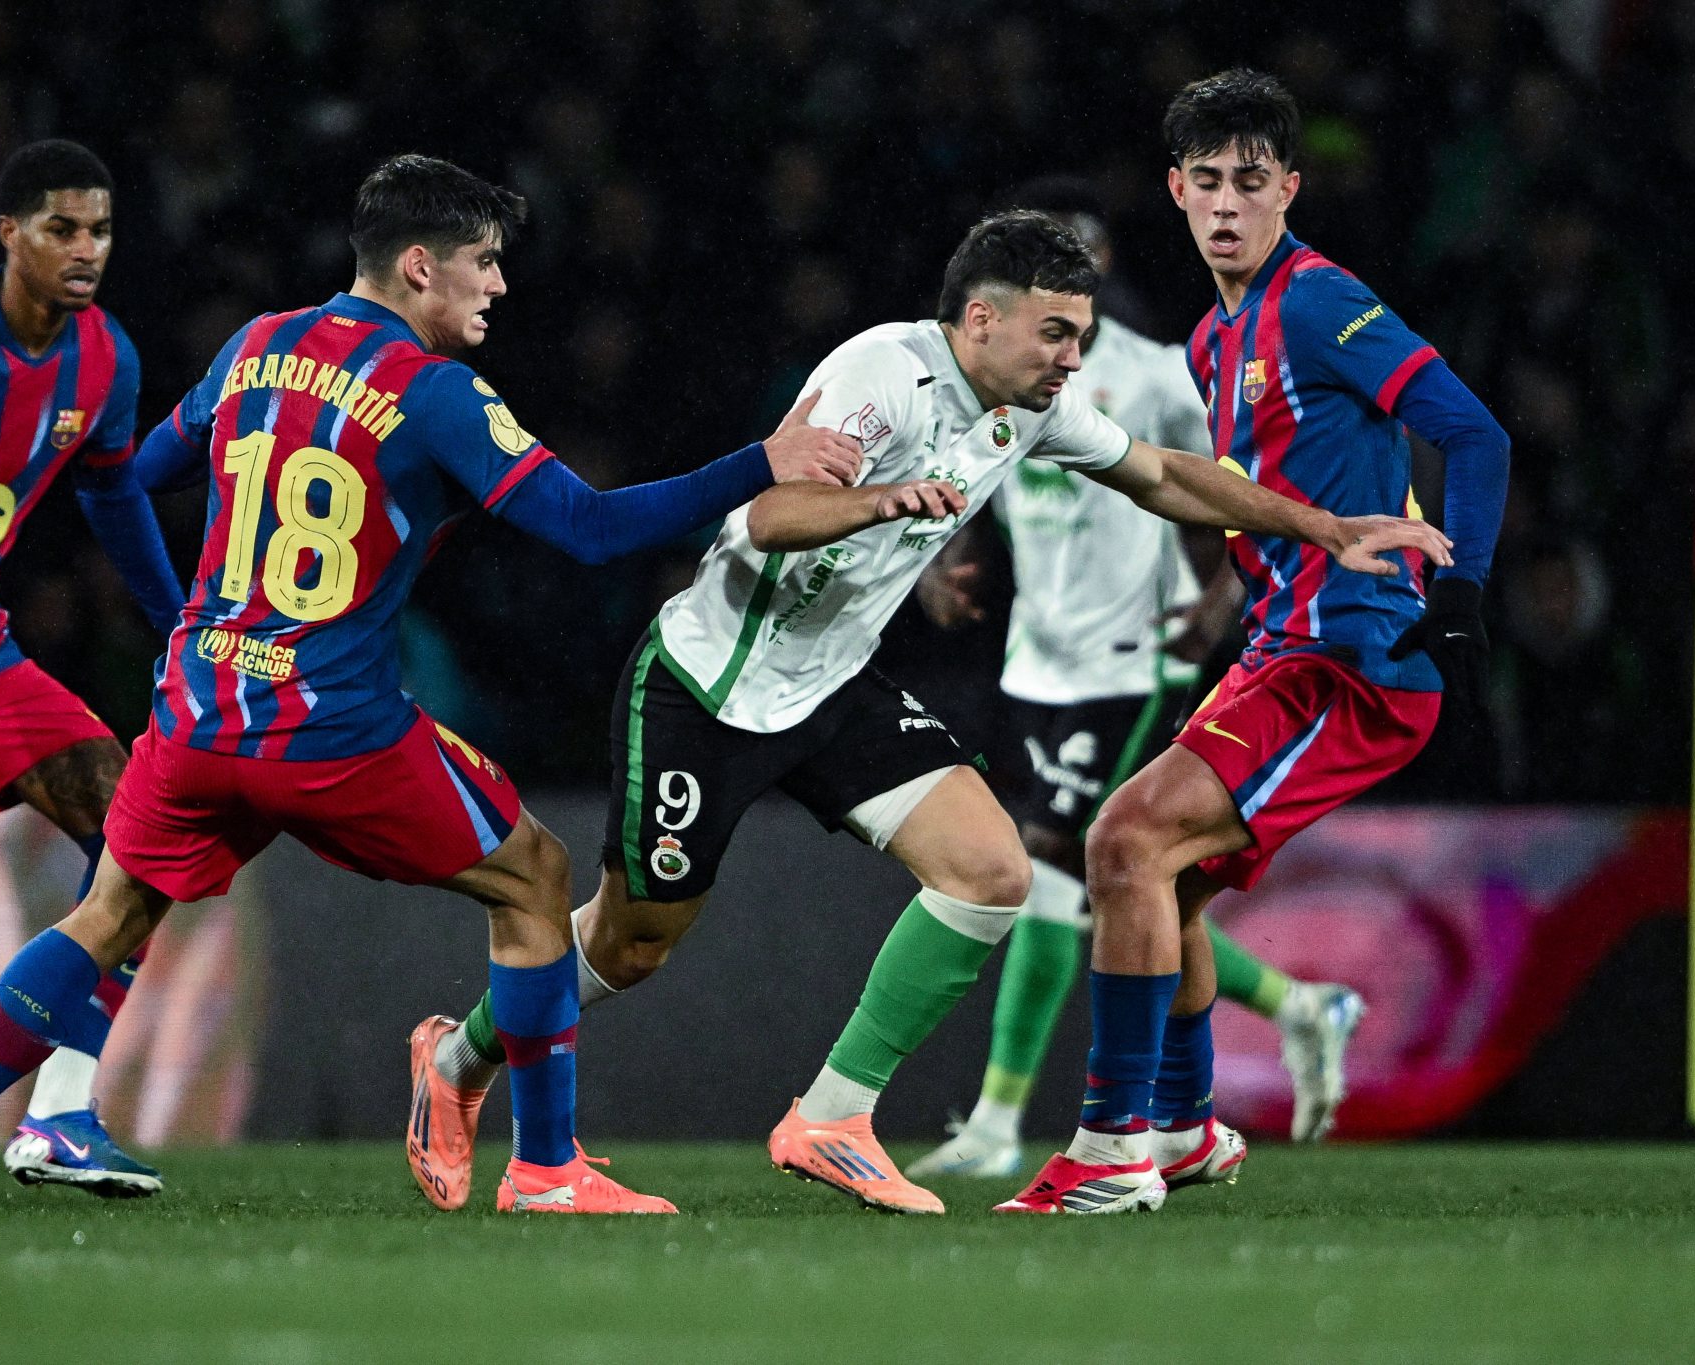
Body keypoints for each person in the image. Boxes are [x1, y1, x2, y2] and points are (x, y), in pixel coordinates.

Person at [412, 209, 1452, 1216]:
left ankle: (833, 1117)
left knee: (991, 873)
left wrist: (1319, 525)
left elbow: (1164, 476)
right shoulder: (882, 376)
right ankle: (456, 1057)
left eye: (1079, 337)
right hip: (707, 689)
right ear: (981, 319)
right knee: (632, 946)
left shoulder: (1033, 403)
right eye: (1053, 333)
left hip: (835, 686)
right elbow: (770, 512)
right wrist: (879, 498)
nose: (1068, 360)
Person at [0, 153, 863, 1216]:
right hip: (328, 729)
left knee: (109, 914)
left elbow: (145, 469)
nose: (497, 286)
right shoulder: (437, 394)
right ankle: (545, 1170)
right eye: (481, 263)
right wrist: (760, 462)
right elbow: (589, 531)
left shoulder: (254, 344)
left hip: (199, 713)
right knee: (532, 875)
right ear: (415, 267)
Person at [998, 70, 1510, 1215]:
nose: (1227, 203)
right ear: (1175, 192)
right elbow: (1243, 499)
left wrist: (1462, 593)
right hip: (1276, 650)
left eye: (1250, 181)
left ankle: (1111, 1144)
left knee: (1123, 841)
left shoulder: (1321, 305)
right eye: (1206, 182)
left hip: (1354, 661)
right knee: (1155, 879)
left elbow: (1472, 435)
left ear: (1288, 187)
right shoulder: (1207, 339)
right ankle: (1177, 1130)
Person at [907, 179, 1368, 1180]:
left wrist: (1222, 596)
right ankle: (1301, 1005)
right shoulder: (1006, 377)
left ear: (1101, 262)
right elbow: (969, 473)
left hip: (1140, 657)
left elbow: (1209, 481)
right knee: (1115, 884)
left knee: (1052, 870)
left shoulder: (1157, 373)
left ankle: (997, 1122)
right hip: (1036, 657)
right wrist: (943, 560)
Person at [0, 140, 187, 1196]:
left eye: (99, 230)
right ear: (7, 232)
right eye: (62, 228)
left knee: (140, 840)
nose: (85, 249)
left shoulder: (105, 360)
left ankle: (59, 1118)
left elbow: (114, 499)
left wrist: (182, 623)